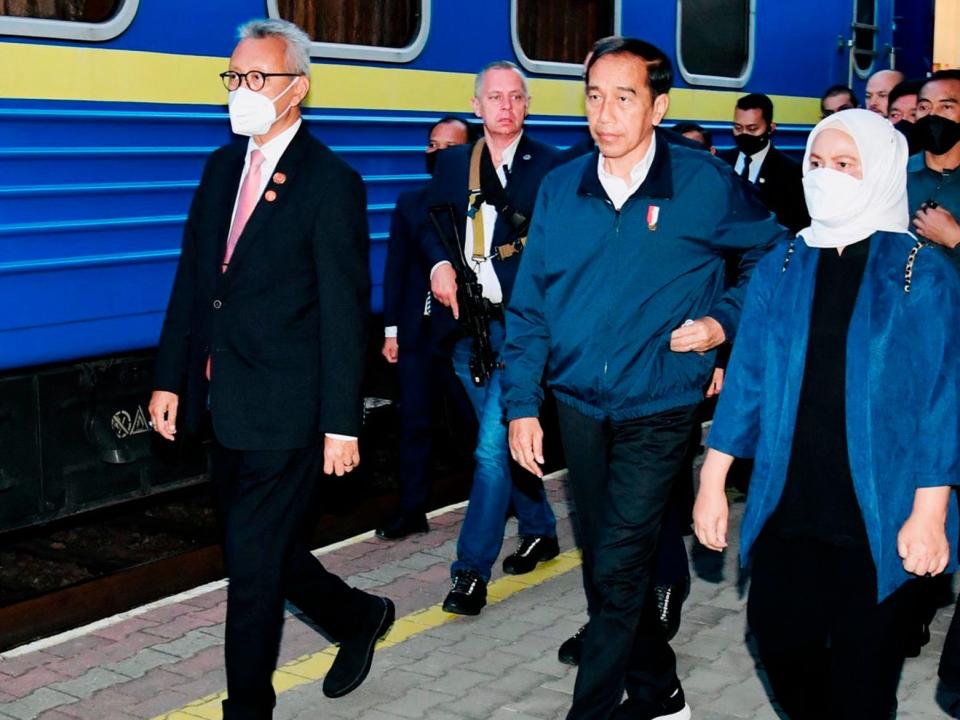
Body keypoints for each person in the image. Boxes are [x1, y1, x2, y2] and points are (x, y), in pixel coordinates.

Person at [503, 37, 785, 720]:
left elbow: (776, 253)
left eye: (623, 98)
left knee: (622, 564)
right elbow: (530, 303)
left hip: (660, 402)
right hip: (576, 403)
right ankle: (661, 692)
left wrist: (724, 322)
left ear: (658, 106)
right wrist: (520, 404)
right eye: (594, 96)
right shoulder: (560, 188)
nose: (605, 114)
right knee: (606, 564)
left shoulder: (702, 184)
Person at [148, 19, 392, 718]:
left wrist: (343, 423)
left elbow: (347, 314)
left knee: (251, 571)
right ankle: (356, 617)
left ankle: (247, 709)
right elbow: (195, 283)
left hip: (289, 409)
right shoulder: (222, 167)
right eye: (235, 77)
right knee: (266, 552)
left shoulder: (329, 182)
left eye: (258, 78)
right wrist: (172, 376)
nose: (241, 91)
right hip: (225, 401)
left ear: (297, 89)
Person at [694, 108, 960, 719]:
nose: (825, 176)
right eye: (816, 162)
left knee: (864, 682)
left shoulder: (922, 273)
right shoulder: (784, 264)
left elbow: (942, 398)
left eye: (845, 164)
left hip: (883, 512)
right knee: (778, 640)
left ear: (883, 174)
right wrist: (712, 481)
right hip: (792, 507)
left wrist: (931, 511)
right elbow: (749, 382)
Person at [424, 60, 560, 616]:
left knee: (489, 451)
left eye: (516, 97)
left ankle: (470, 573)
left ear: (527, 106)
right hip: (468, 329)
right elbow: (426, 223)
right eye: (495, 98)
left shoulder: (553, 167)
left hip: (521, 330)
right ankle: (541, 527)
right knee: (505, 442)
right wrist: (437, 265)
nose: (506, 107)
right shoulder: (453, 163)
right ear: (477, 106)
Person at [376, 116, 472, 540]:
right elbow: (395, 269)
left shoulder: (478, 204)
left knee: (476, 422)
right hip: (417, 335)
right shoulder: (409, 202)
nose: (436, 153)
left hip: (465, 336)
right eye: (432, 145)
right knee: (414, 423)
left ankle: (499, 497)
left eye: (448, 147)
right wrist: (391, 331)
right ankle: (412, 509)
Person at [719, 93, 810, 233]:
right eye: (738, 128)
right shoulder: (720, 162)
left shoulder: (790, 172)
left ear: (771, 128)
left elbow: (796, 224)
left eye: (752, 129)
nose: (744, 134)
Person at [908, 69, 960, 273]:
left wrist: (954, 238)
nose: (932, 115)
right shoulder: (895, 175)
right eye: (924, 107)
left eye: (946, 106)